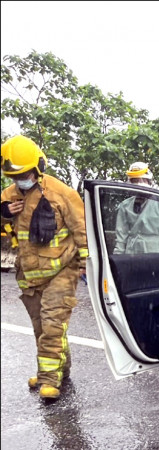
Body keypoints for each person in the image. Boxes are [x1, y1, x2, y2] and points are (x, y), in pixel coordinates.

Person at [1, 135, 89, 399]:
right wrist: (4, 214)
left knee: (52, 324)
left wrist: (86, 264)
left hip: (62, 269)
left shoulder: (62, 193)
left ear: (38, 168)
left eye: (25, 174)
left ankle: (50, 380)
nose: (20, 180)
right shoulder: (7, 196)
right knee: (44, 328)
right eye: (14, 176)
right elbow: (6, 234)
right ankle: (58, 370)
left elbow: (82, 230)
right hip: (29, 276)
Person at [113, 162, 159, 254]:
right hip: (132, 253)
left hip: (156, 251)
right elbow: (121, 237)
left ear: (148, 181)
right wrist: (118, 257)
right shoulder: (125, 205)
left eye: (140, 180)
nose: (138, 184)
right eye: (134, 181)